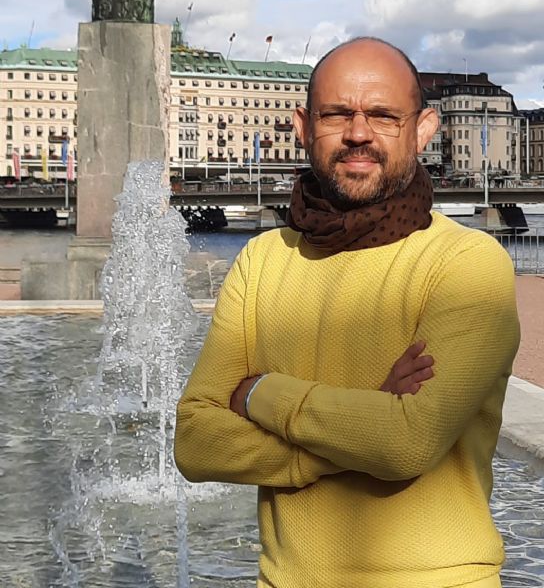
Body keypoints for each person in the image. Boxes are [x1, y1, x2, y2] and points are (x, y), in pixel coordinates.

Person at [175, 37, 520, 588]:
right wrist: (365, 421)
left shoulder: (467, 262)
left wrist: (261, 393)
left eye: (383, 115)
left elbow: (407, 443)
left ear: (424, 130)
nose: (358, 133)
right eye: (337, 114)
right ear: (304, 126)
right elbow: (195, 442)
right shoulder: (264, 258)